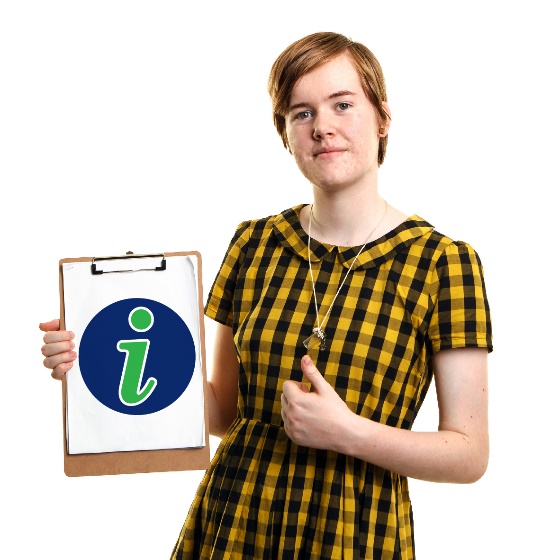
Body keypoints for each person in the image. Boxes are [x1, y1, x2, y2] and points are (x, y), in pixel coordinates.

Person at [40, 31, 493, 560]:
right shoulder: (255, 243)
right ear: (285, 133)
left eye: (342, 105)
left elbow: (469, 453)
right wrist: (91, 360)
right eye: (301, 113)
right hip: (235, 522)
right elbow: (222, 410)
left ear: (383, 118)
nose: (323, 126)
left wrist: (348, 433)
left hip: (354, 533)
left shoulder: (443, 263)